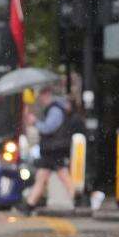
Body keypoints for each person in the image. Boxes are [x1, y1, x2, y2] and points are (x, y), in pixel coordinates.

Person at [16, 85, 75, 214]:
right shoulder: (53, 109)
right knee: (42, 176)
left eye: (41, 96)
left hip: (55, 148)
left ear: (47, 94)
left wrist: (35, 122)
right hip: (51, 149)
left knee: (61, 175)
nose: (40, 99)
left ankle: (75, 199)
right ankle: (29, 205)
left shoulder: (55, 110)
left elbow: (48, 128)